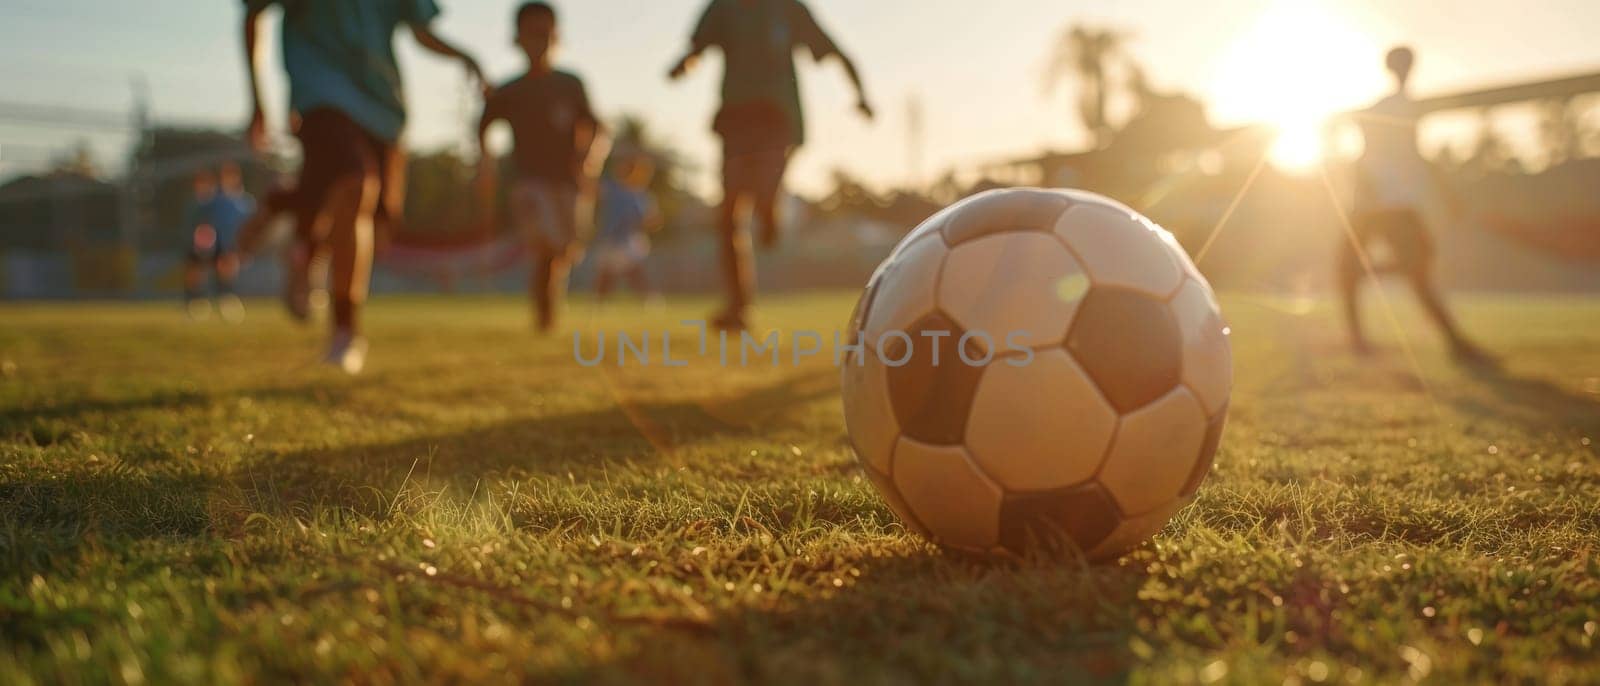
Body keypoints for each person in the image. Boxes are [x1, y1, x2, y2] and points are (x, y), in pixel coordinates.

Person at [242, 0, 484, 373]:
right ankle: (345, 331)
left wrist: (464, 56)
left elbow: (421, 31)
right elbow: (254, 14)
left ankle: (304, 243)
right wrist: (258, 101)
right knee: (356, 183)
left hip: (382, 108)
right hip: (319, 93)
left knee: (375, 217)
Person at [668, 0, 874, 331]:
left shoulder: (787, 8)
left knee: (761, 192)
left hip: (777, 118)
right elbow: (697, 48)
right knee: (728, 216)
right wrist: (683, 65)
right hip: (736, 120)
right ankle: (738, 307)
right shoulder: (723, 8)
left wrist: (861, 95)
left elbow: (836, 52)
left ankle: (769, 206)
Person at [1337, 46, 1492, 364]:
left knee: (1410, 269)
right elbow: (1370, 145)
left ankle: (1452, 341)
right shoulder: (1392, 106)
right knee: (1356, 269)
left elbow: (1416, 153)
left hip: (1386, 203)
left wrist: (1447, 192)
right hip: (1378, 203)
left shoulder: (1404, 106)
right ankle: (1361, 340)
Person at [477, 2, 605, 333]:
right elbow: (483, 127)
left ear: (557, 36)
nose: (539, 41)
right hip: (529, 181)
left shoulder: (570, 84)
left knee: (564, 250)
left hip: (568, 181)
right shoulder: (511, 90)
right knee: (546, 246)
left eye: (545, 34)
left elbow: (597, 128)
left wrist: (588, 162)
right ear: (517, 39)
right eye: (531, 34)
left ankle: (548, 310)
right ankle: (544, 317)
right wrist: (486, 164)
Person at [185, 163, 255, 322]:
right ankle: (196, 303)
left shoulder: (244, 201)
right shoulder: (213, 200)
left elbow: (249, 225)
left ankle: (226, 302)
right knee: (197, 272)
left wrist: (246, 247)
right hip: (210, 243)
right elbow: (202, 219)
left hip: (230, 245)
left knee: (226, 272)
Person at [592, 151, 661, 301]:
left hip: (629, 240)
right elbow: (594, 191)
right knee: (608, 274)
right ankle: (599, 302)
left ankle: (648, 299)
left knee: (634, 272)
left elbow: (651, 220)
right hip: (609, 238)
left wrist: (646, 222)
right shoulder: (612, 188)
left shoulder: (642, 195)